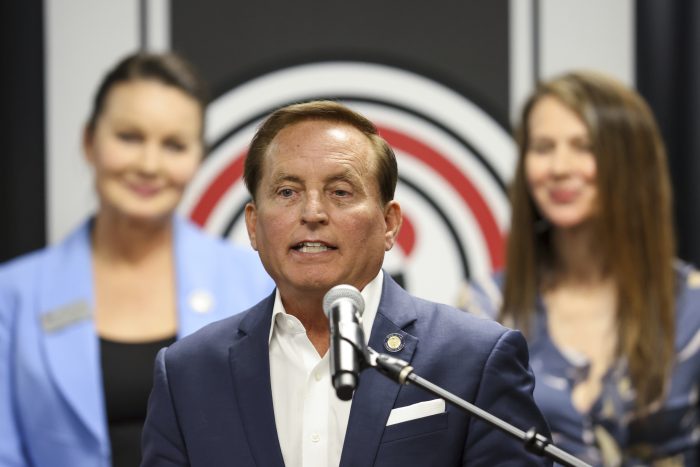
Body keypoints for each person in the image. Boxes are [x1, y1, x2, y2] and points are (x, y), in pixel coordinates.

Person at [140, 100, 553, 467]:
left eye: (340, 192)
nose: (313, 212)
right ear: (253, 225)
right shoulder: (188, 374)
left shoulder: (474, 359)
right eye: (287, 192)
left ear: (389, 223)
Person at [0, 52, 273, 467]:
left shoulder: (258, 282)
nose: (149, 165)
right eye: (129, 137)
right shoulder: (11, 297)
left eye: (174, 145)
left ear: (198, 158)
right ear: (89, 141)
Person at [462, 71, 700, 465]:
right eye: (543, 148)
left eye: (584, 147)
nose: (559, 167)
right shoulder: (487, 306)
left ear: (631, 161)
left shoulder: (692, 308)